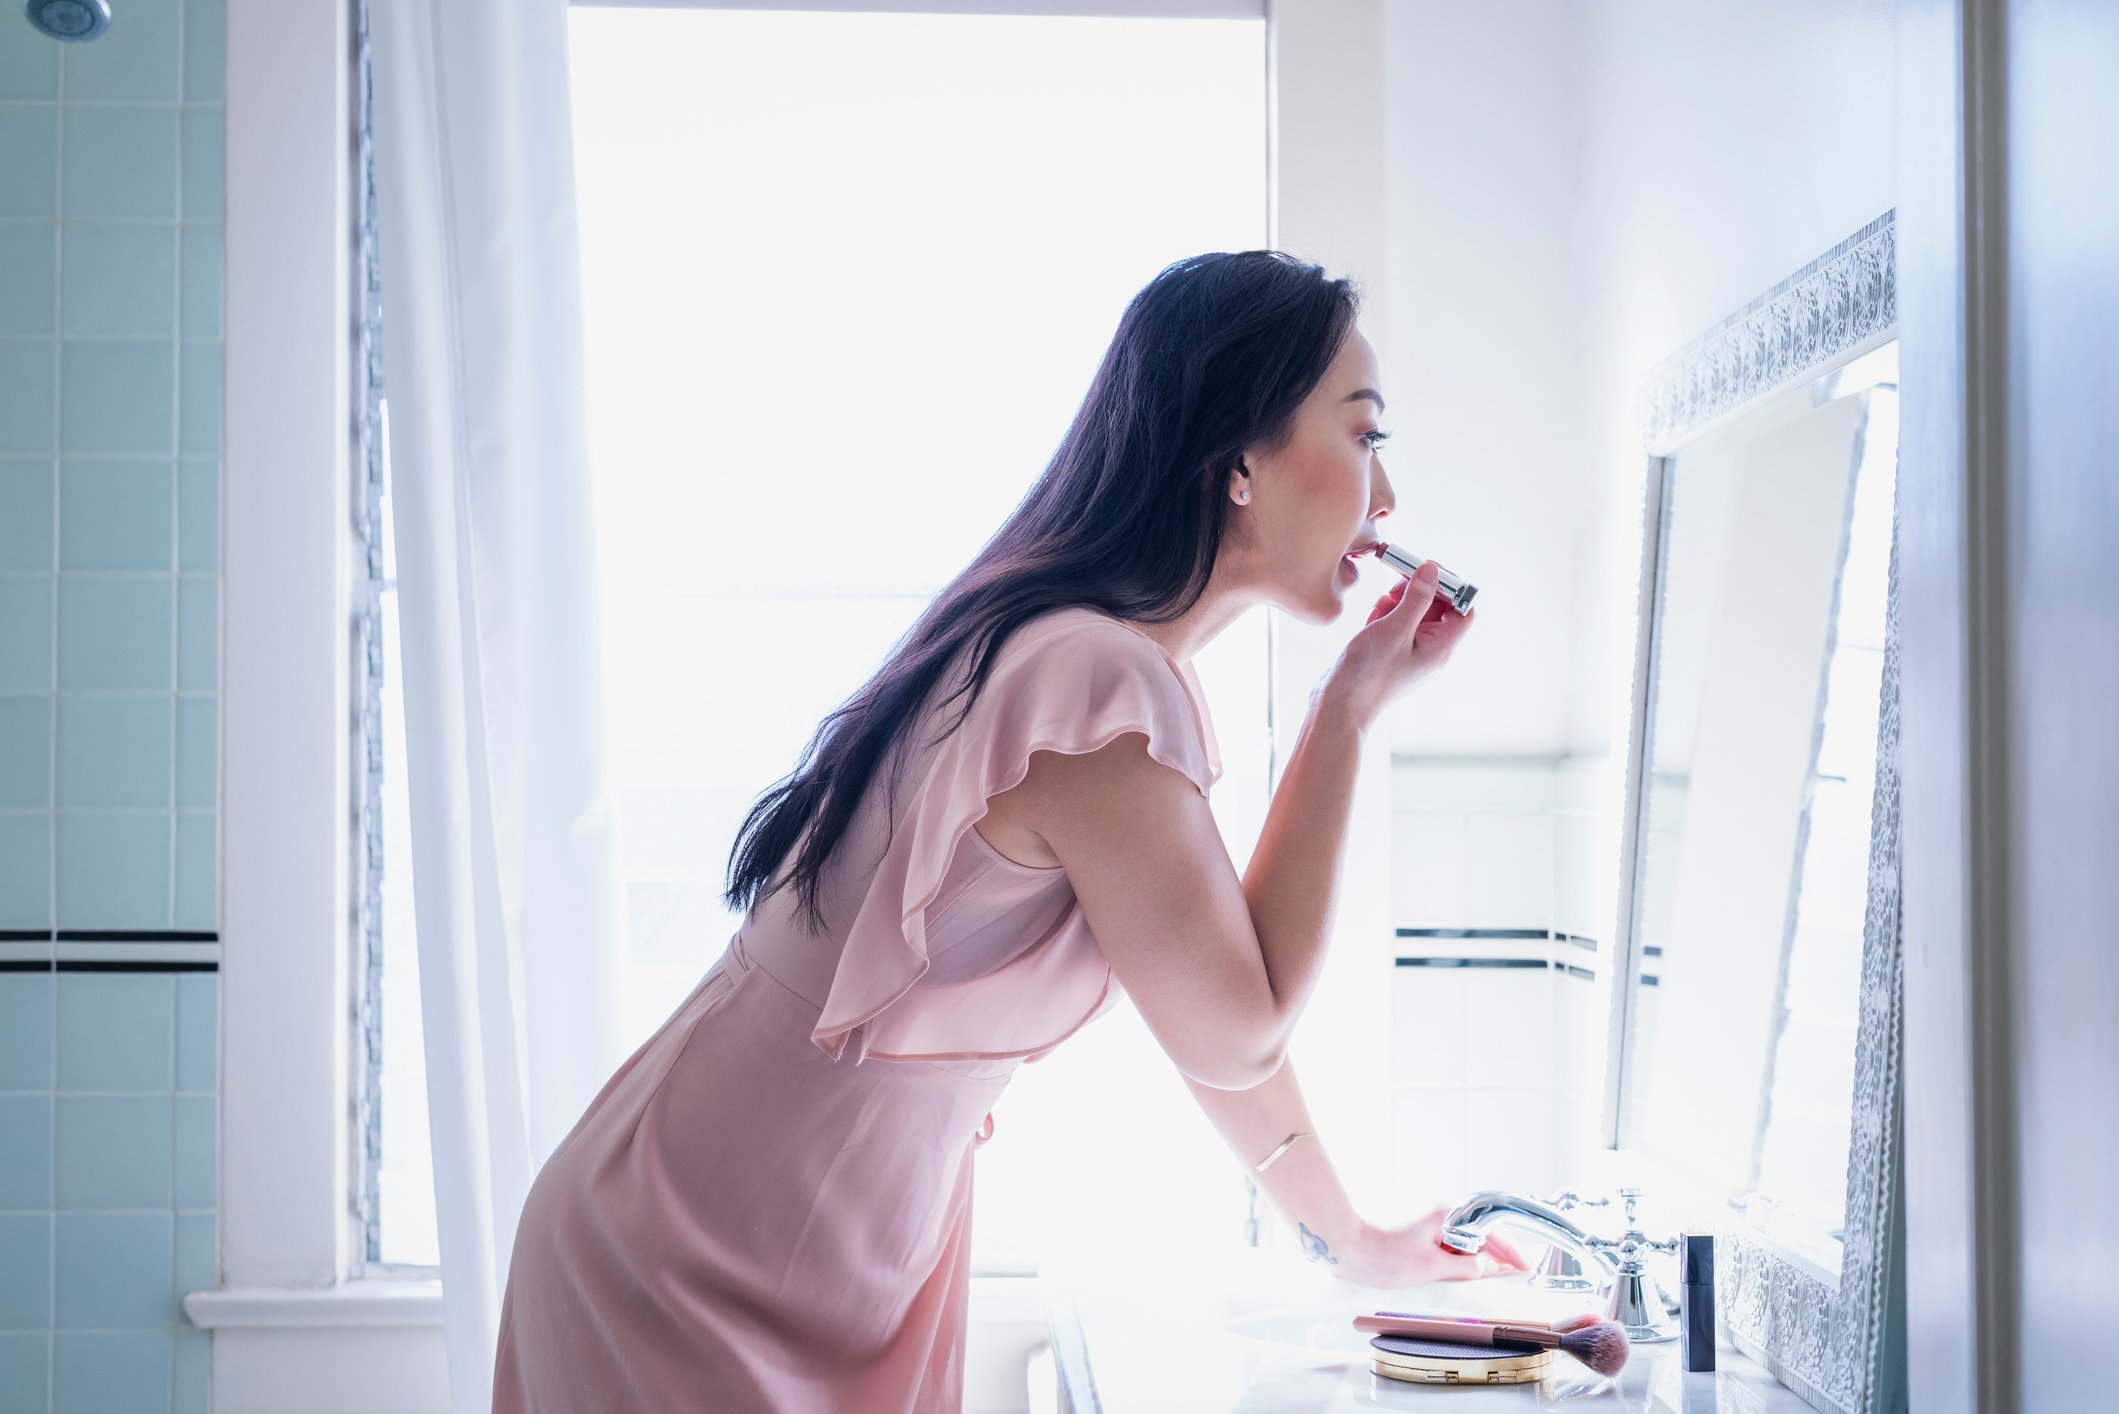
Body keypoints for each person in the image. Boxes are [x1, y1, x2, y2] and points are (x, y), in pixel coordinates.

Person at [490, 250, 1514, 1413]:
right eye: (1365, 437)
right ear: (1239, 457)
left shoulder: (1084, 665)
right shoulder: (1093, 681)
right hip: (695, 1259)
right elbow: (1244, 1031)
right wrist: (1346, 714)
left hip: (784, 1241)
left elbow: (1210, 1023)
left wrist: (1352, 1240)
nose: (1386, 502)